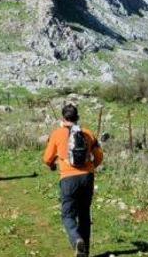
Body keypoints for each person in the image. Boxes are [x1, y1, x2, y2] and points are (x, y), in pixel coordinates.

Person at [42, 104, 104, 257]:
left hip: (68, 179)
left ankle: (76, 240)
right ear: (77, 118)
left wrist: (52, 165)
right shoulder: (88, 133)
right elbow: (99, 156)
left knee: (68, 215)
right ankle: (85, 252)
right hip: (87, 177)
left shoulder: (57, 134)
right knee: (84, 214)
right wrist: (91, 167)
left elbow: (47, 158)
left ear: (63, 118)